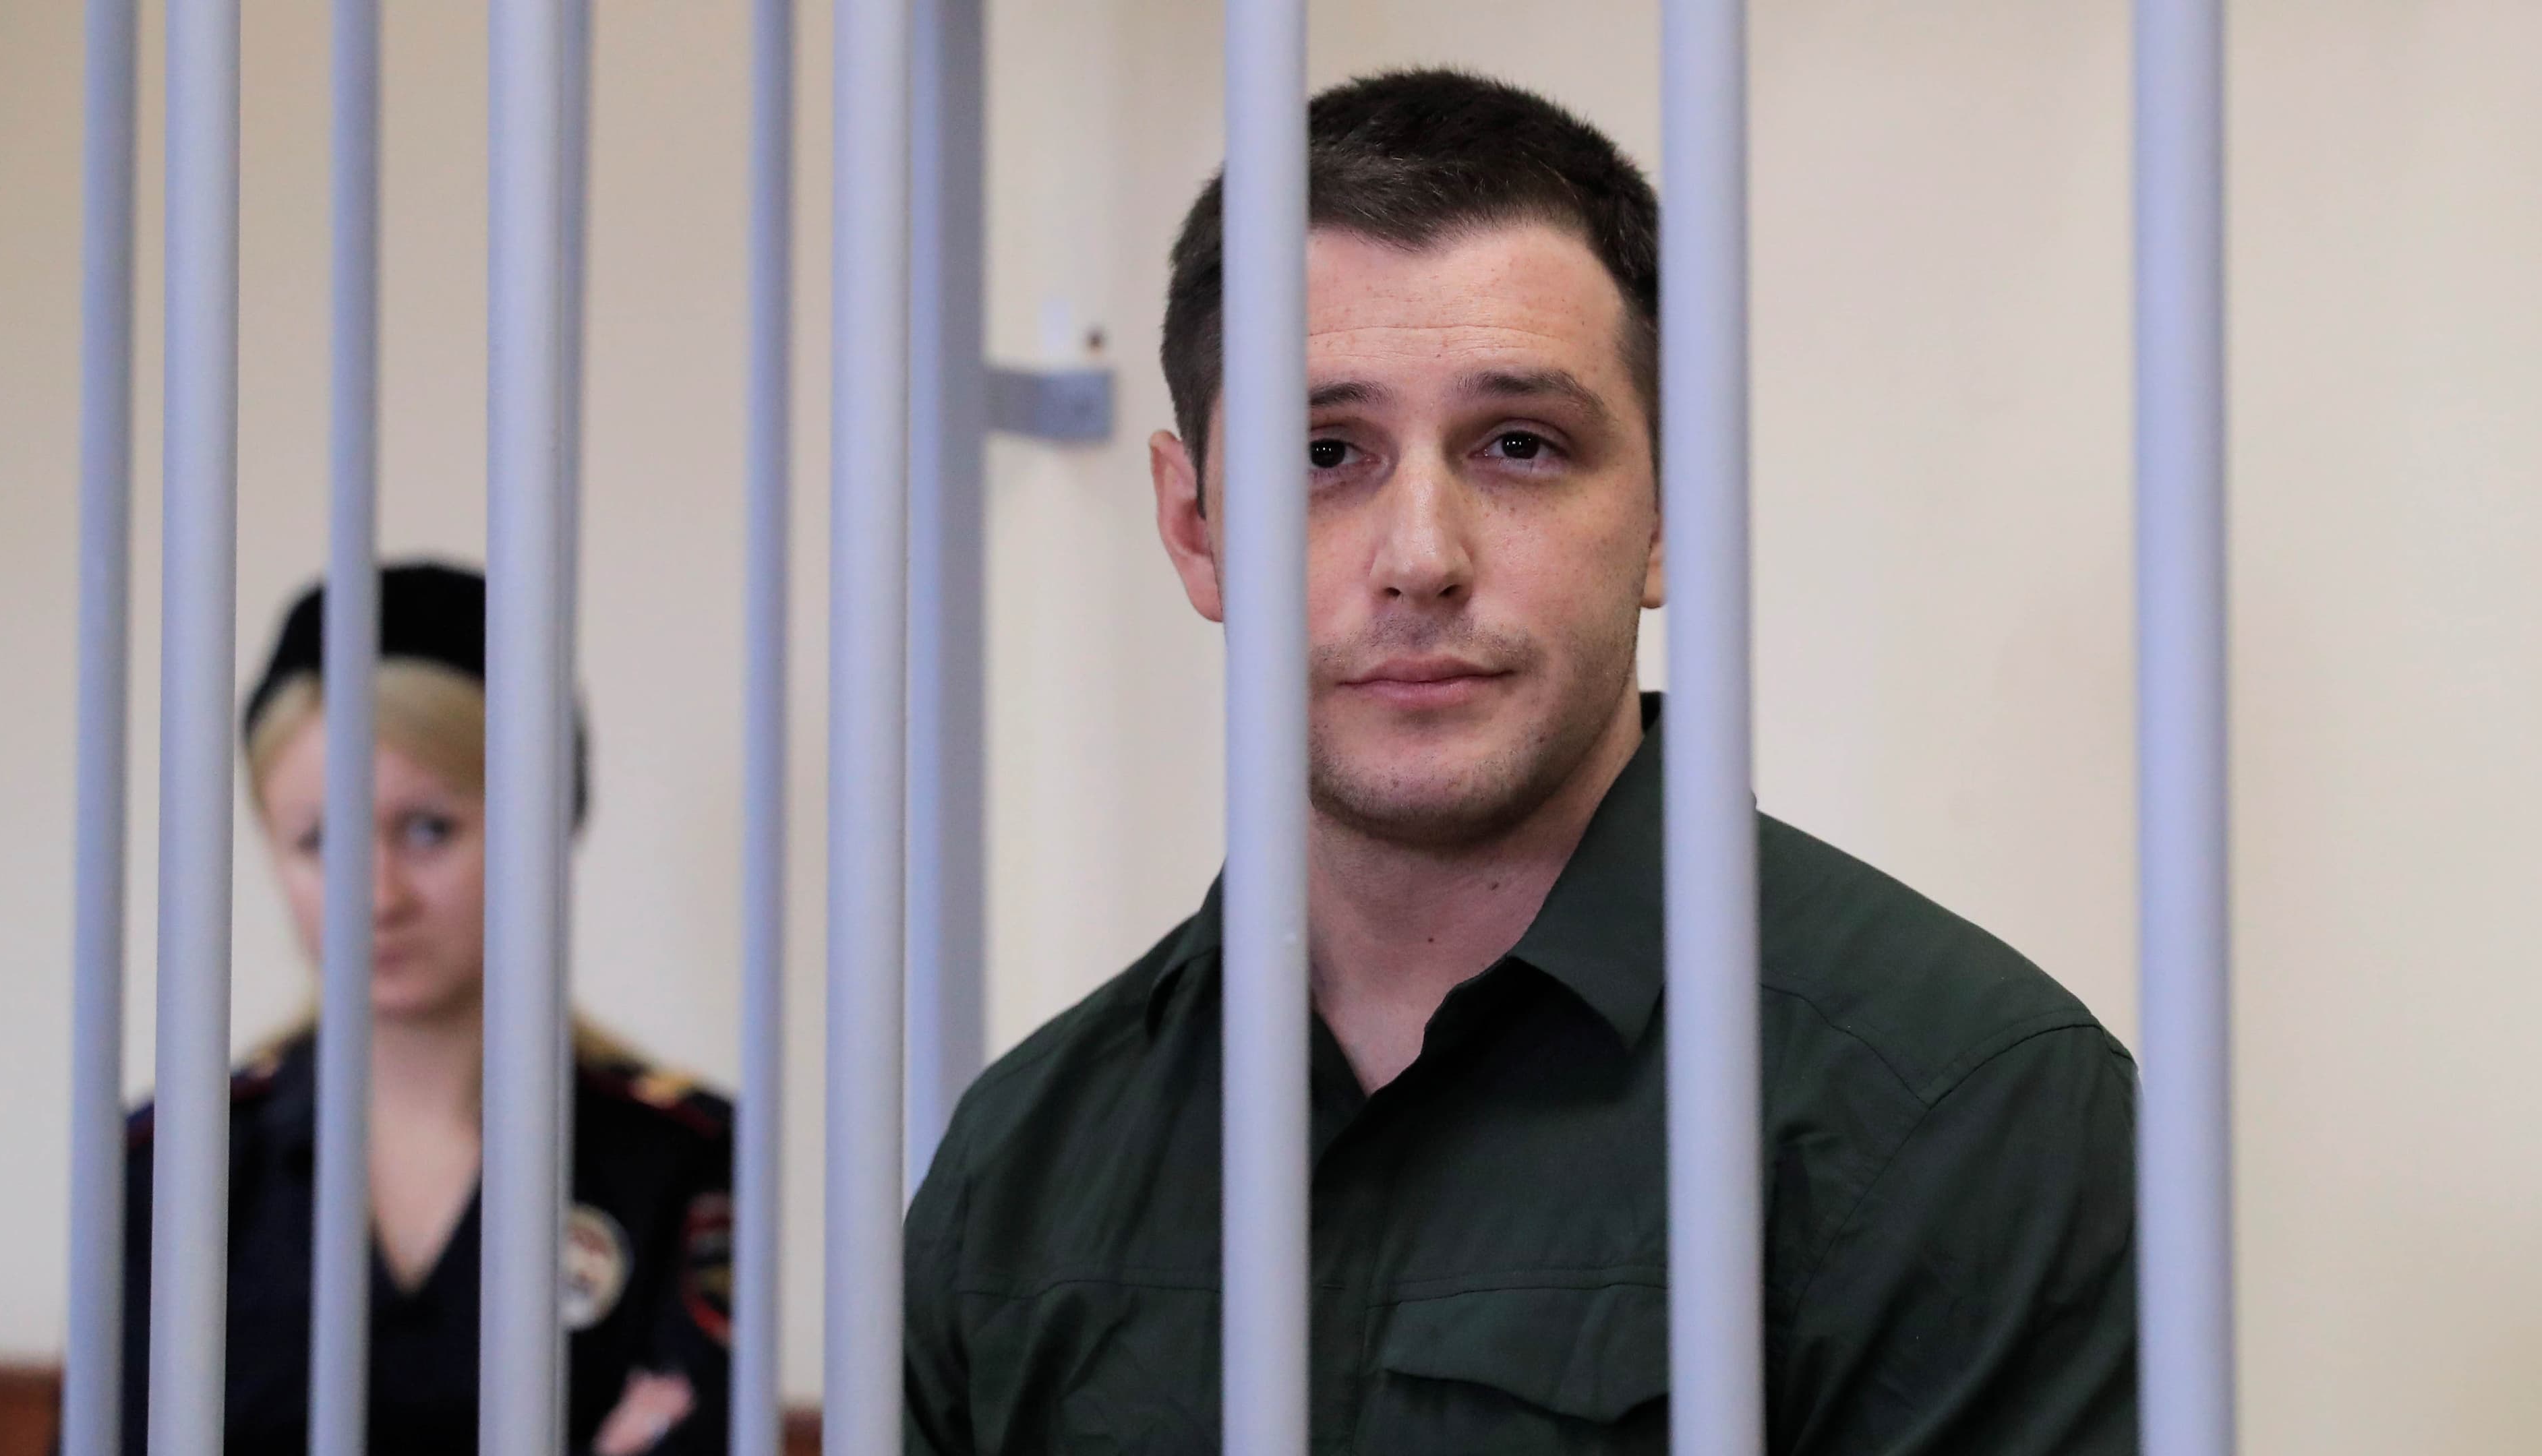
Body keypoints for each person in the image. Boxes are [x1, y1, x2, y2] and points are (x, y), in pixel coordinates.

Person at [903, 69, 2137, 1455]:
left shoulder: (1959, 1109)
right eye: (1325, 451)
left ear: (1673, 510)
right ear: (1194, 530)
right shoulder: (1021, 1168)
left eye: (1520, 445)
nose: (1422, 556)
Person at [119, 562, 734, 1456]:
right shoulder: (178, 1162)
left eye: (428, 830)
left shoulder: (680, 1159)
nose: (377, 895)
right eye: (320, 841)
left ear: (544, 825)